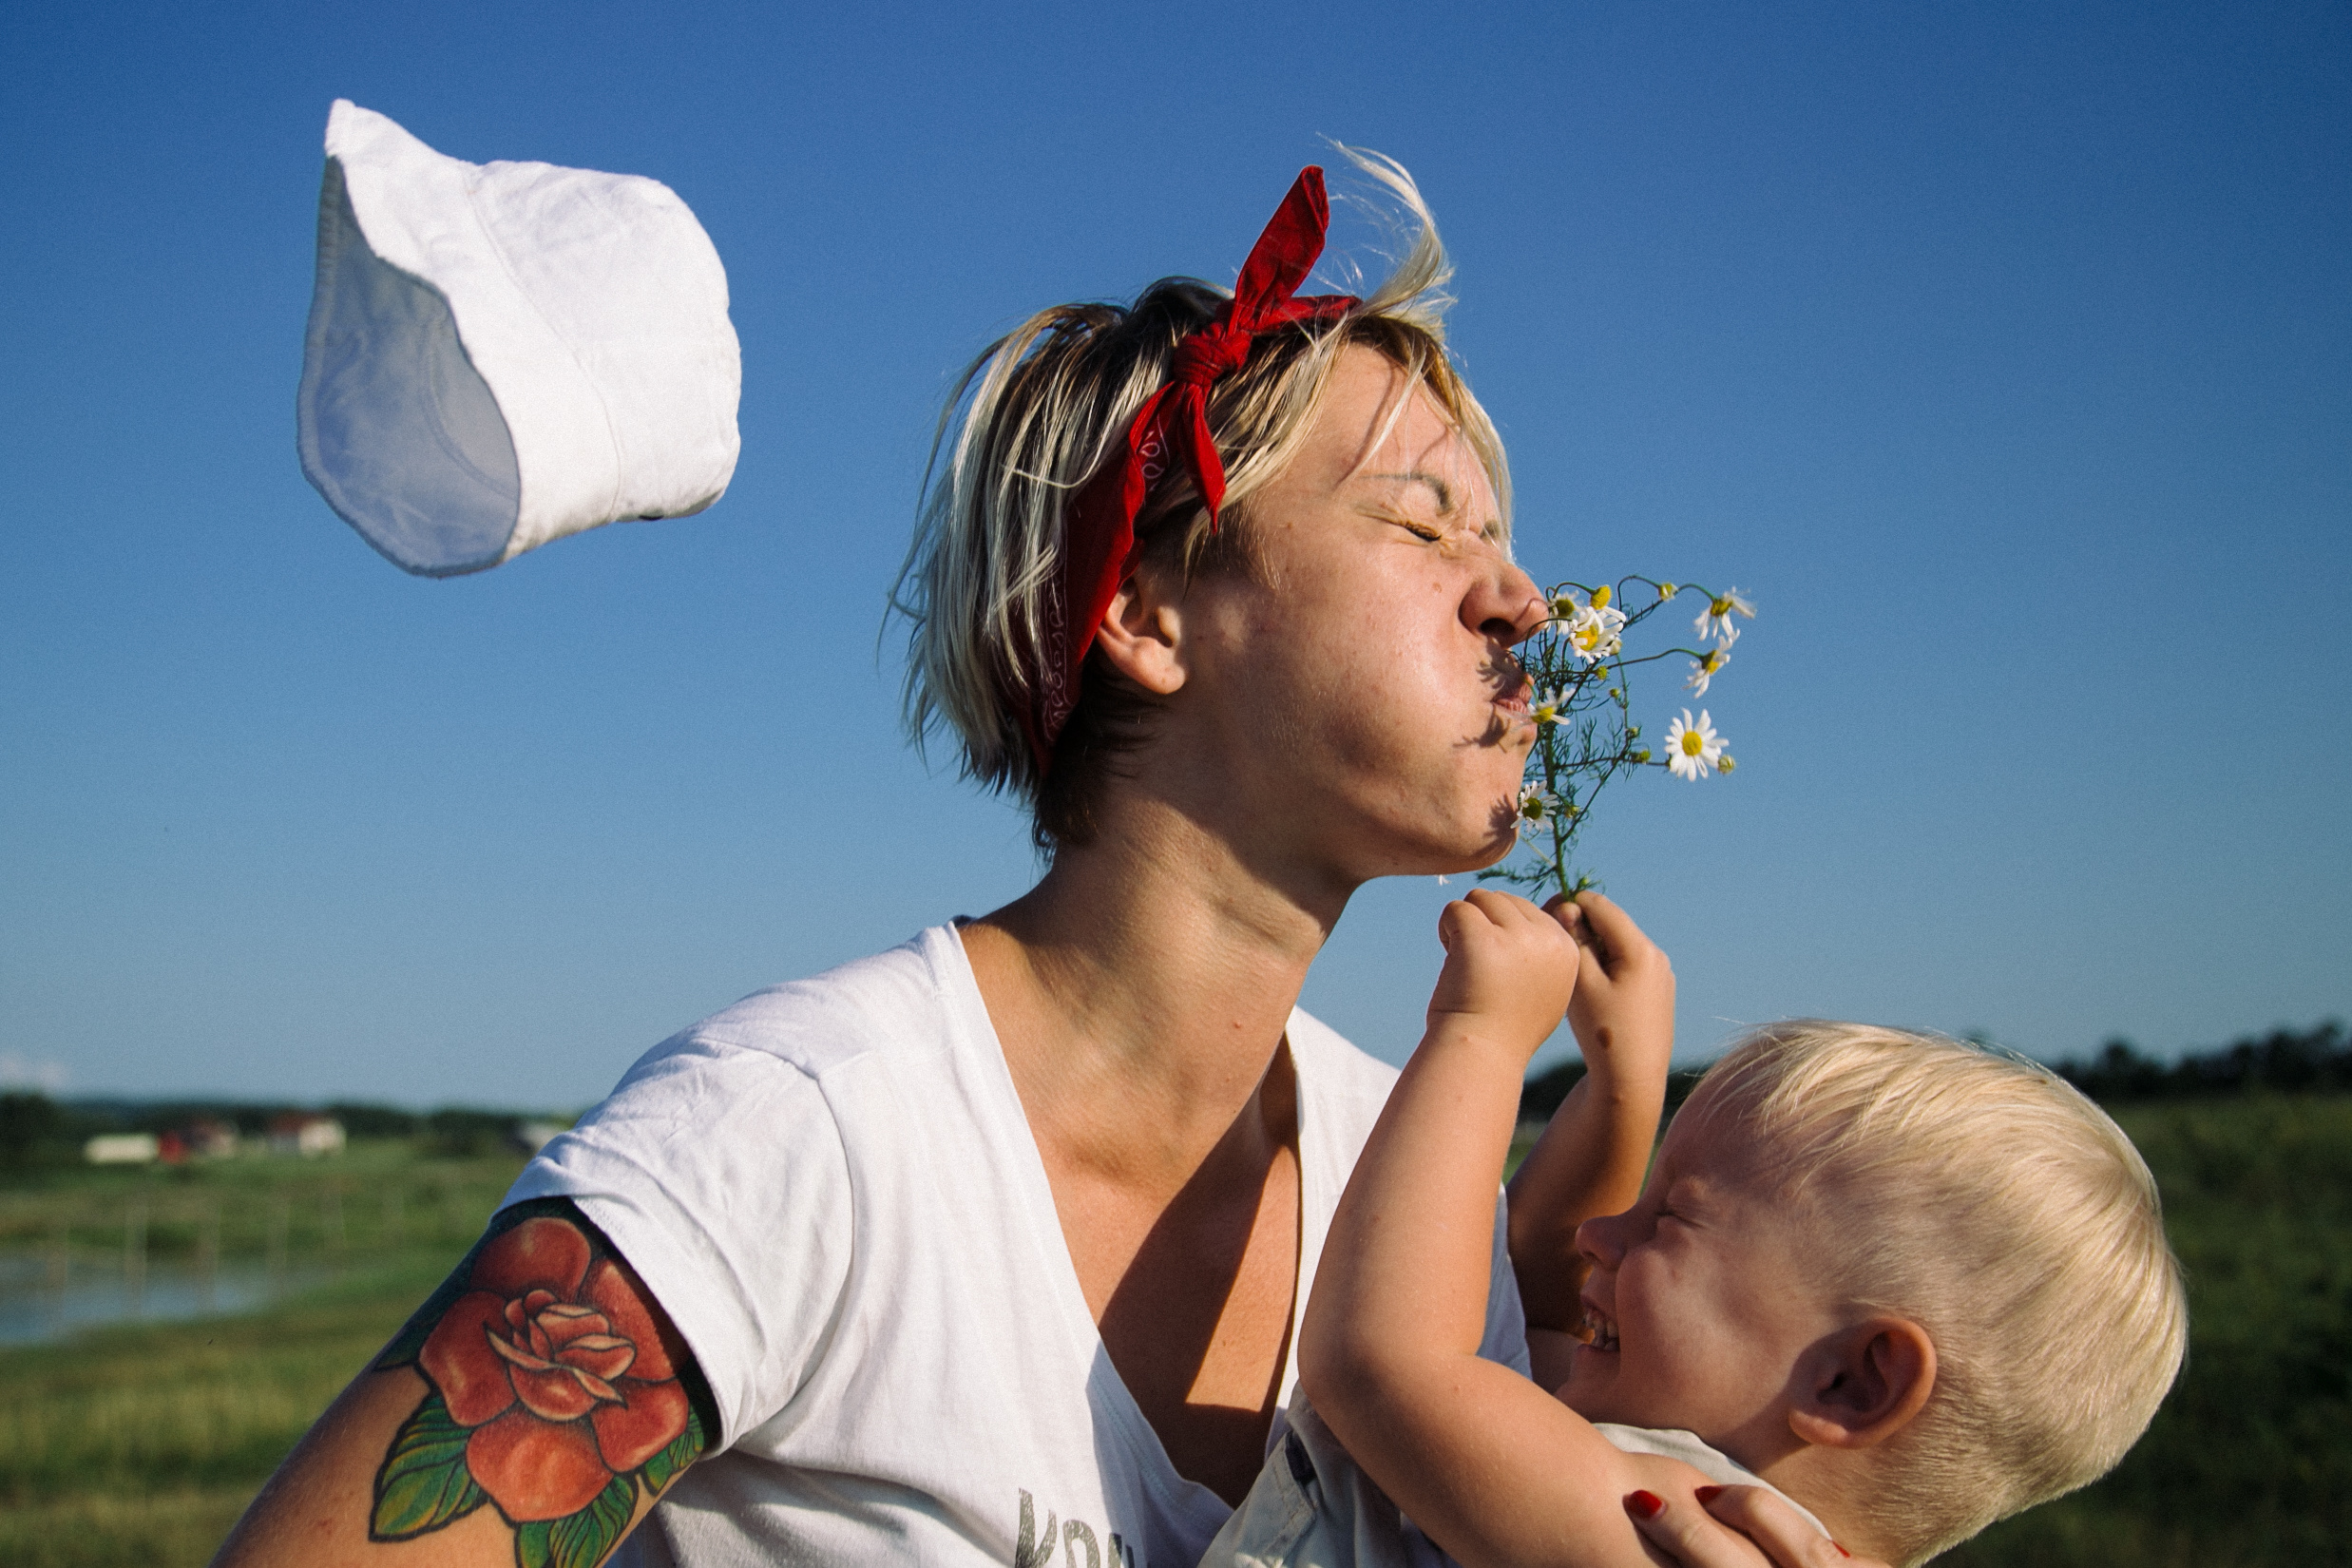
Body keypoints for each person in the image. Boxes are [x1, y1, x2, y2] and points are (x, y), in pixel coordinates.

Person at [213, 155, 1849, 1568]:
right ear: (1145, 611)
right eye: (1424, 527)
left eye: (1501, 543)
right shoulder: (796, 1137)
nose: (1525, 606)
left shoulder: (1404, 1196)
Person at [1209, 887, 2187, 1568]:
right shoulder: (1642, 1457)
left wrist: (1480, 1034)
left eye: (1670, 1217)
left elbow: (1384, 1363)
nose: (1602, 1234)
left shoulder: (1658, 1527)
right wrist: (1621, 1088)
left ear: (1851, 1380)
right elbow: (1533, 1295)